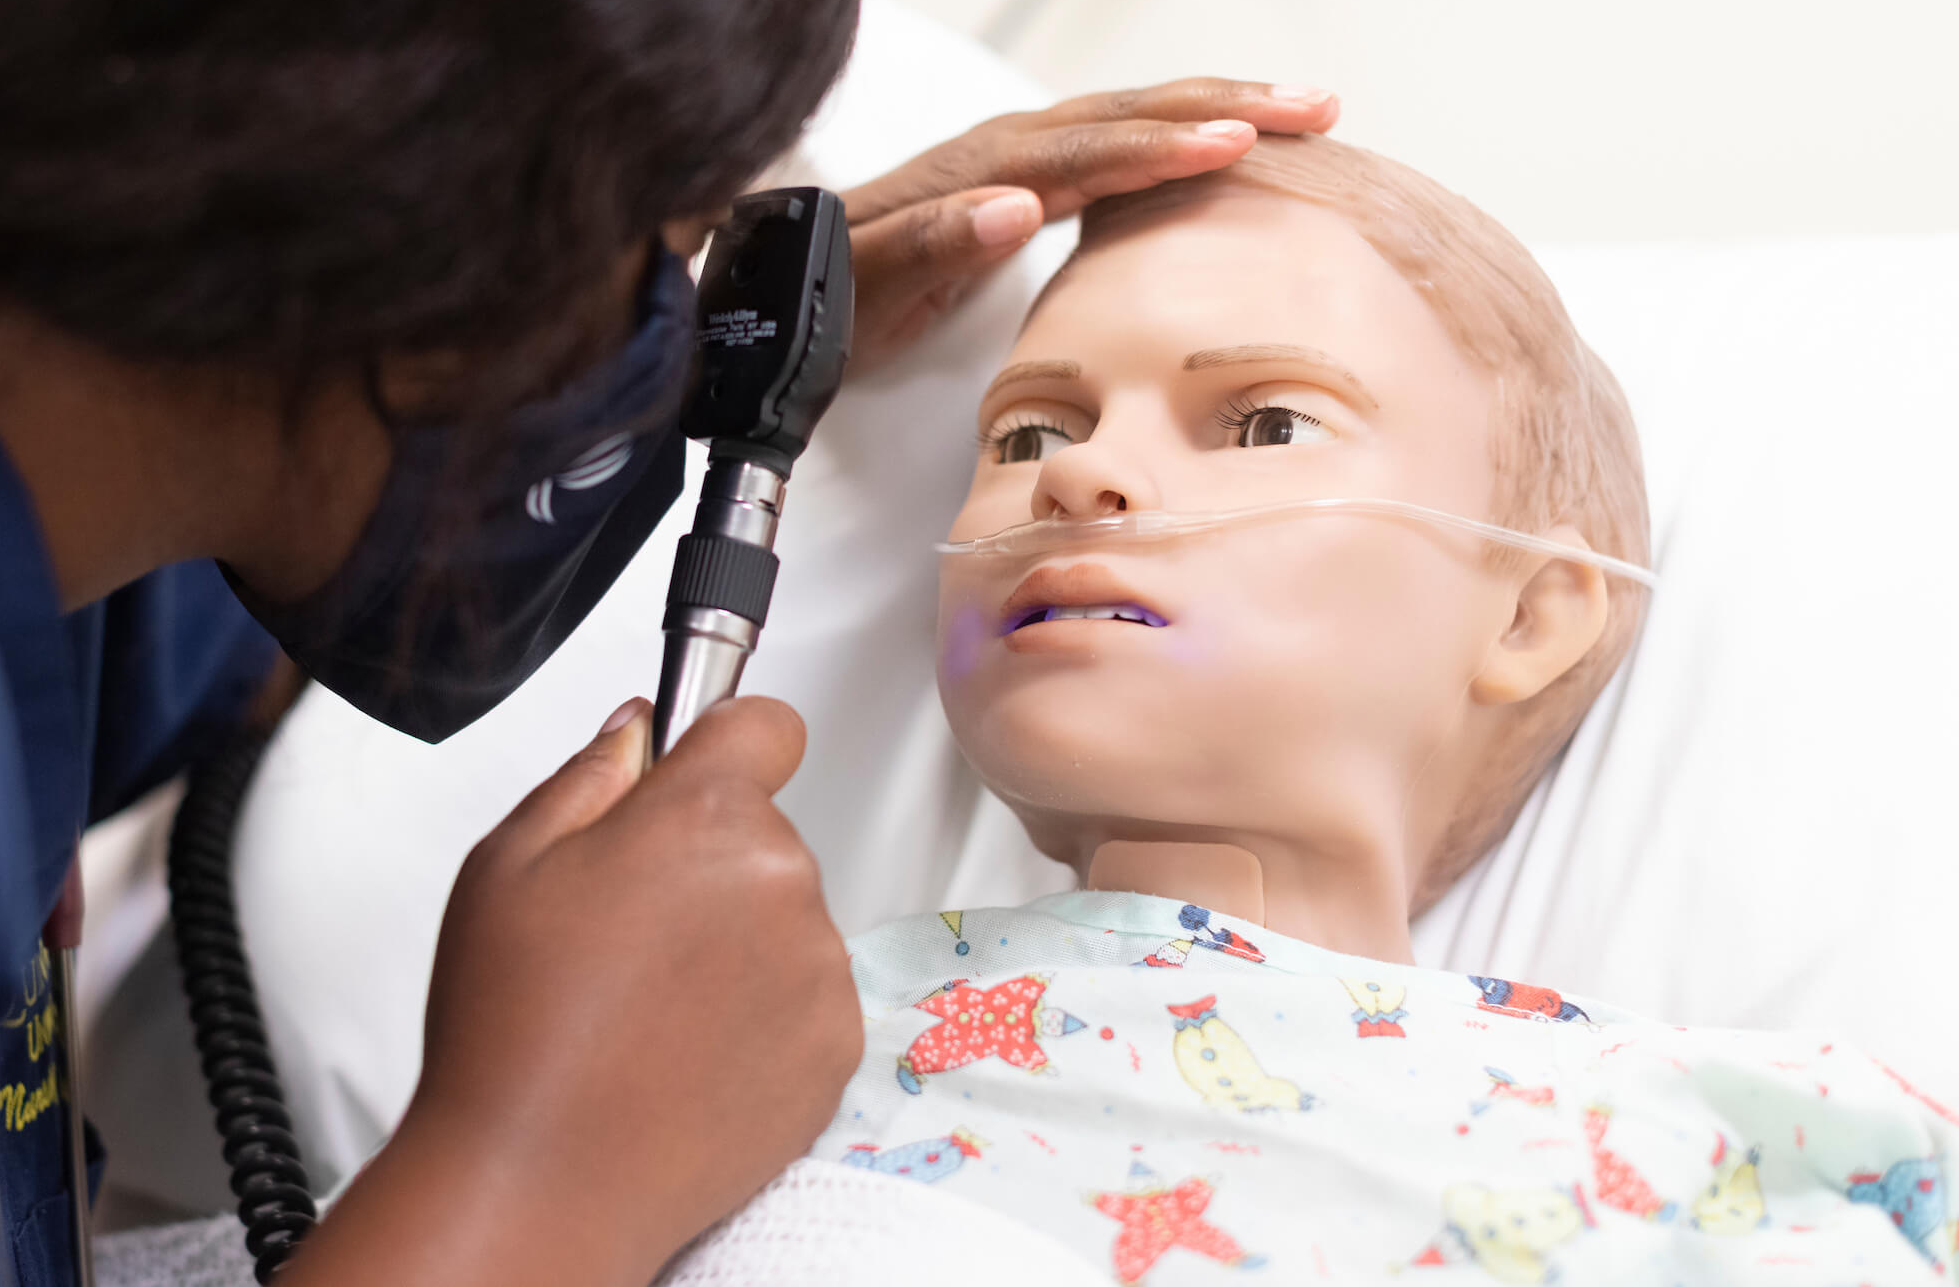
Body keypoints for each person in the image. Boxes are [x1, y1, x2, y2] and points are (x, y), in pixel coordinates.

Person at [0, 0, 1343, 1282]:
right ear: (413, 225)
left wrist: (692, 373)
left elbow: (238, 589)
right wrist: (529, 1171)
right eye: (662, 245)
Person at [664, 134, 1956, 1284]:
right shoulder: (722, 1022)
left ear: (1526, 615)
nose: (1084, 472)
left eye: (1268, 424)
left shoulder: (1745, 1143)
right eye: (1028, 437)